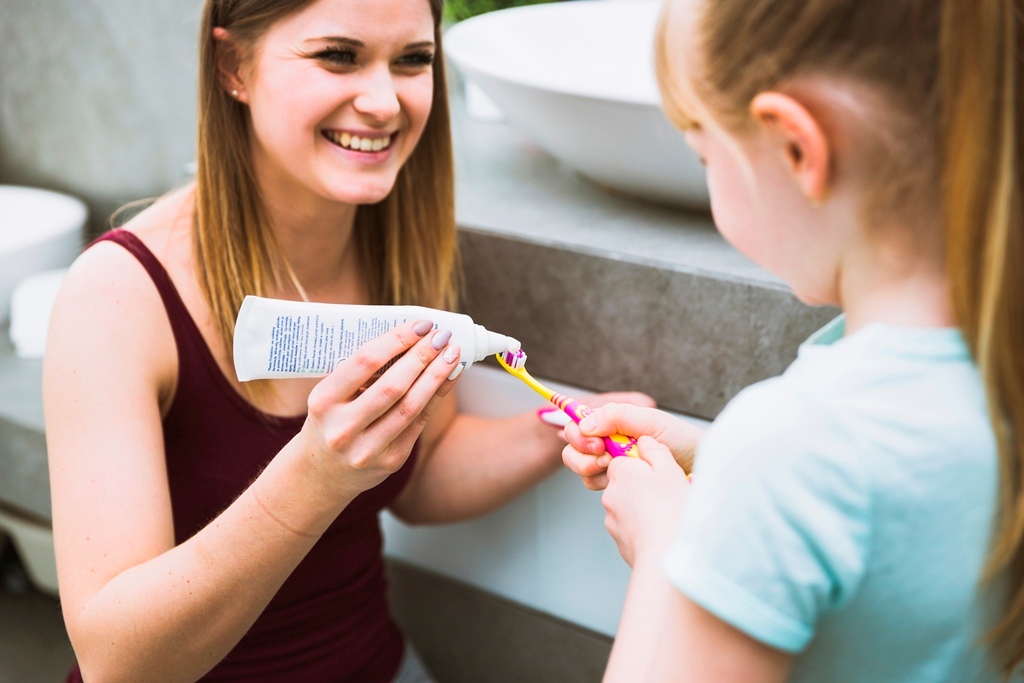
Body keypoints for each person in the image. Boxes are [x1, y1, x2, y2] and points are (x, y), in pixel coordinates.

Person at [42, 0, 651, 681]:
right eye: (338, 55)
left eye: (413, 60)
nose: (385, 101)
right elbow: (118, 664)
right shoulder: (119, 296)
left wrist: (564, 427)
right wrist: (314, 477)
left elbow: (420, 477)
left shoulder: (389, 238)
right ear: (231, 66)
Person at [563, 0, 1024, 681]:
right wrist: (719, 459)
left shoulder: (792, 445)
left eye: (703, 154)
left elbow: (815, 467)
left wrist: (668, 542)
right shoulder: (989, 370)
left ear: (797, 148)